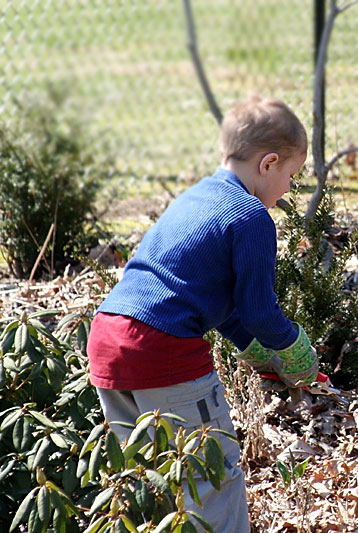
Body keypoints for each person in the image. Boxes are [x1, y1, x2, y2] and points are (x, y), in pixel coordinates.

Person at [86, 95, 318, 531]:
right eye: (291, 175)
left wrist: (253, 352)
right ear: (268, 164)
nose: (289, 188)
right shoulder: (250, 217)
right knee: (210, 474)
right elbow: (258, 310)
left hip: (107, 337)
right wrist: (294, 350)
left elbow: (214, 299)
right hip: (162, 345)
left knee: (146, 475)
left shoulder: (195, 197)